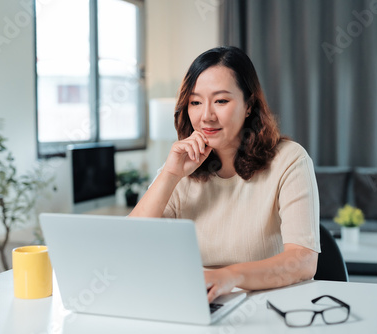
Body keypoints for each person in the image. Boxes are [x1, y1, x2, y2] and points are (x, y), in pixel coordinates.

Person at [130, 46, 320, 303]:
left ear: (249, 105)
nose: (206, 116)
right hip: (198, 300)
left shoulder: (290, 160)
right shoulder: (182, 164)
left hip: (267, 303)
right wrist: (171, 174)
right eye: (195, 102)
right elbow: (129, 242)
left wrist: (230, 276)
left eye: (221, 101)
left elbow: (303, 261)